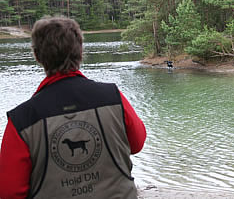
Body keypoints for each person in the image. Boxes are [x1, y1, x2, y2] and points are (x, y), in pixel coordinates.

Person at [0, 16, 146, 199]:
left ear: (37, 56)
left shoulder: (22, 120)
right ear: (80, 51)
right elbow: (137, 143)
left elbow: (8, 192)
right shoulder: (114, 97)